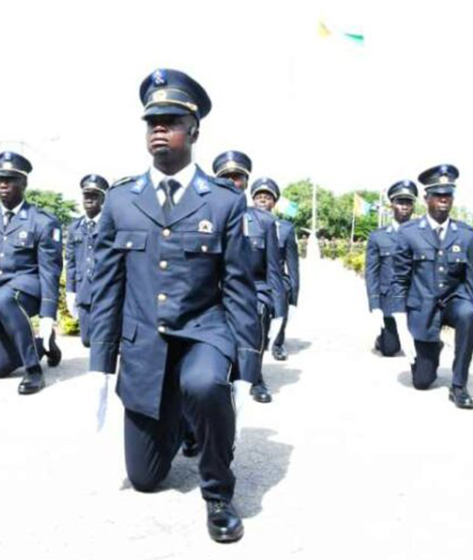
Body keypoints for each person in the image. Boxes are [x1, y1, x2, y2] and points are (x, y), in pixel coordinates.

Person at [89, 69, 260, 543]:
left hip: (203, 334)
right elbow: (107, 286)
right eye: (152, 122)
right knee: (145, 479)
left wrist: (246, 368)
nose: (159, 129)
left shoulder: (223, 203)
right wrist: (100, 366)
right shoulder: (122, 200)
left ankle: (219, 493)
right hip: (145, 345)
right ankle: (185, 419)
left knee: (204, 384)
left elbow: (241, 290)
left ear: (195, 131)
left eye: (171, 120)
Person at [0, 152, 63, 395]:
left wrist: (48, 315)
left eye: (11, 179)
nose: (4, 185)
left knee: (4, 298)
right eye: (0, 180)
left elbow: (50, 271)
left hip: (28, 290)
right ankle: (44, 346)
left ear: (24, 183)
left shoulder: (42, 221)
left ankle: (33, 370)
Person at [390, 164, 473, 409]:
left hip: (454, 301)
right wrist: (401, 325)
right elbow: (399, 280)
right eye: (438, 195)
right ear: (426, 197)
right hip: (423, 306)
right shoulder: (409, 233)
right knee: (422, 381)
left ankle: (459, 385)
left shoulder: (466, 234)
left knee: (468, 315)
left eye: (448, 195)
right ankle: (432, 347)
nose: (443, 200)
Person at [212, 154, 285, 403]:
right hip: (216, 291)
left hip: (255, 289)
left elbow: (274, 269)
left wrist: (279, 309)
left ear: (246, 181)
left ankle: (255, 376)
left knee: (257, 316)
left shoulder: (264, 221)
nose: (233, 182)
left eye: (238, 177)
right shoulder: (206, 216)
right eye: (226, 177)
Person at [248, 179, 300, 362]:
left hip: (275, 278)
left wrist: (293, 300)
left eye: (267, 197)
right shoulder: (243, 221)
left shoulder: (285, 229)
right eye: (259, 197)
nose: (263, 200)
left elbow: (293, 267)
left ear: (274, 202)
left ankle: (277, 342)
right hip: (253, 277)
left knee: (283, 288)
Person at [365, 180, 417, 357]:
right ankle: (382, 339)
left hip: (415, 301)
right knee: (390, 349)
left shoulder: (422, 235)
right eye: (400, 202)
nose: (404, 207)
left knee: (422, 346)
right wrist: (374, 306)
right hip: (390, 300)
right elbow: (372, 273)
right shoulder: (378, 237)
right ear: (392, 205)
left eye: (408, 203)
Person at [65, 174, 109, 347]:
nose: (89, 200)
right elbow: (71, 262)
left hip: (105, 290)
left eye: (94, 196)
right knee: (87, 341)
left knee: (103, 341)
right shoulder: (75, 227)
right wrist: (70, 291)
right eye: (86, 196)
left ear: (103, 199)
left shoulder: (110, 225)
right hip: (83, 291)